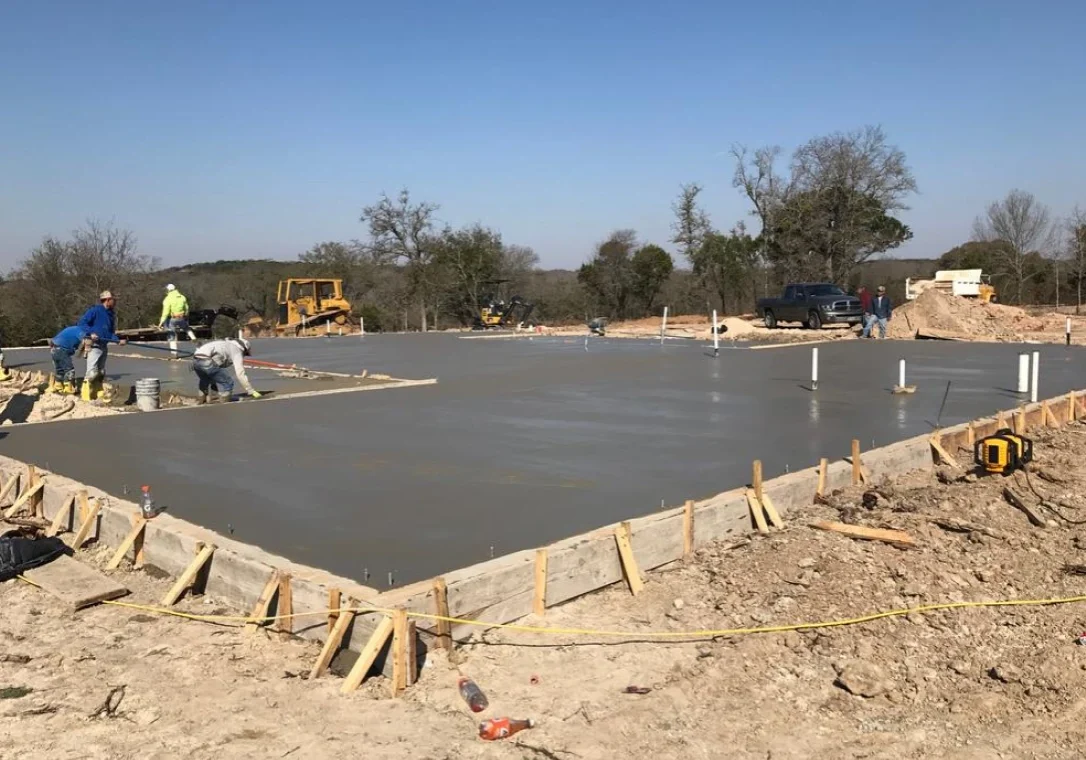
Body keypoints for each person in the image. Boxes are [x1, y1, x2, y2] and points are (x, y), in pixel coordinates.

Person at [77, 290, 127, 401]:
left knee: (101, 372)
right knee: (92, 373)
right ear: (108, 300)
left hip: (103, 345)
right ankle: (86, 396)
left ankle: (97, 394)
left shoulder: (111, 315)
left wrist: (118, 340)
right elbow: (82, 323)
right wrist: (91, 333)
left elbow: (109, 332)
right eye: (113, 300)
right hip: (94, 345)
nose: (115, 302)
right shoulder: (95, 311)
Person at [191, 337, 262, 403]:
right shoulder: (237, 350)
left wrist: (214, 389)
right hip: (206, 360)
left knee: (205, 380)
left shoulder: (224, 344)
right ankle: (225, 399)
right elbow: (240, 373)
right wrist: (251, 391)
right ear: (244, 348)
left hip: (195, 361)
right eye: (245, 354)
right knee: (228, 382)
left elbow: (212, 369)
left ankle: (202, 398)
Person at [47, 325, 88, 395]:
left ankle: (58, 385)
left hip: (54, 348)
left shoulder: (72, 329)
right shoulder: (80, 330)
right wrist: (84, 353)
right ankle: (68, 388)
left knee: (60, 370)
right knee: (69, 370)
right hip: (62, 349)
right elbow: (85, 341)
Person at [158, 284, 197, 356]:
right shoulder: (182, 297)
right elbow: (187, 308)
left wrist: (161, 323)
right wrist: (185, 315)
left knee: (171, 335)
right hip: (181, 317)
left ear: (168, 290)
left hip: (173, 319)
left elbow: (165, 312)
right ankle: (195, 342)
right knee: (187, 329)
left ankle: (174, 353)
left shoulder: (167, 299)